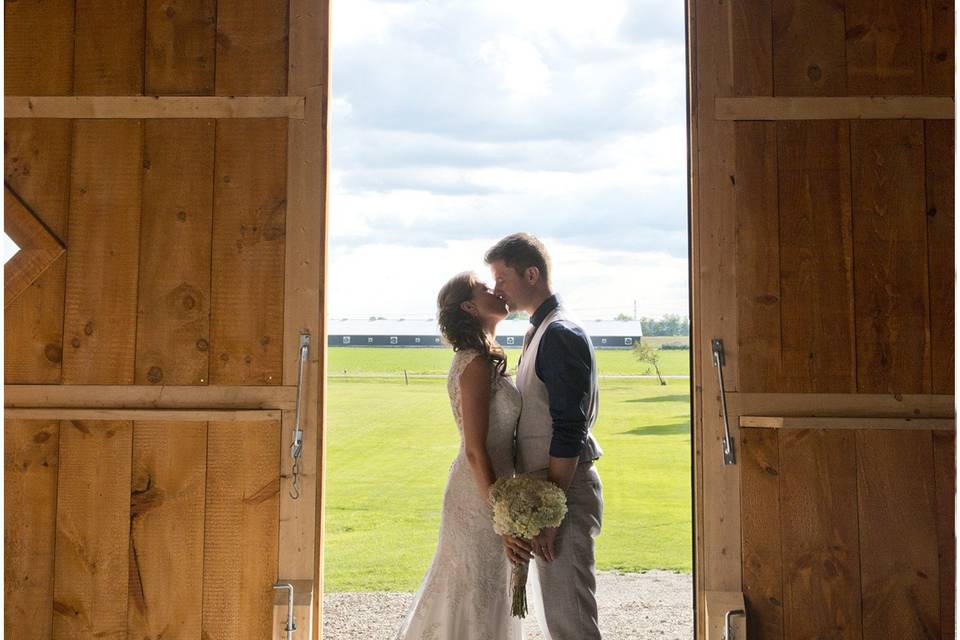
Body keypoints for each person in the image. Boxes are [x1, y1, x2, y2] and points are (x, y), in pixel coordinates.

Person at [486, 232, 604, 640]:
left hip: (563, 494)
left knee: (571, 623)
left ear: (530, 274)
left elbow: (569, 428)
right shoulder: (538, 332)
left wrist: (552, 512)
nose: (496, 288)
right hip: (548, 494)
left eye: (501, 278)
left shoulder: (560, 333)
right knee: (559, 621)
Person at [394, 271, 524, 640]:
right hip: (479, 492)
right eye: (486, 289)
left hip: (491, 486)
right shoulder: (476, 363)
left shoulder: (484, 357)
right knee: (474, 590)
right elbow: (474, 447)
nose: (497, 291)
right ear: (469, 306)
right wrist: (500, 513)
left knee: (486, 590)